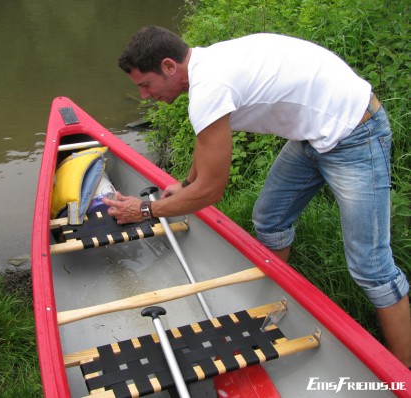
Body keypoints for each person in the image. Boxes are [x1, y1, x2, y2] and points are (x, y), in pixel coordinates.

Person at [103, 26, 411, 368]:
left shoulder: (210, 87)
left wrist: (146, 209)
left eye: (146, 85)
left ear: (169, 66)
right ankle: (276, 306)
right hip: (311, 134)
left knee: (371, 266)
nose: (145, 96)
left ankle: (402, 374)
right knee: (270, 219)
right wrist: (187, 183)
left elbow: (212, 191)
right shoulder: (206, 67)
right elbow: (207, 148)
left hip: (355, 132)